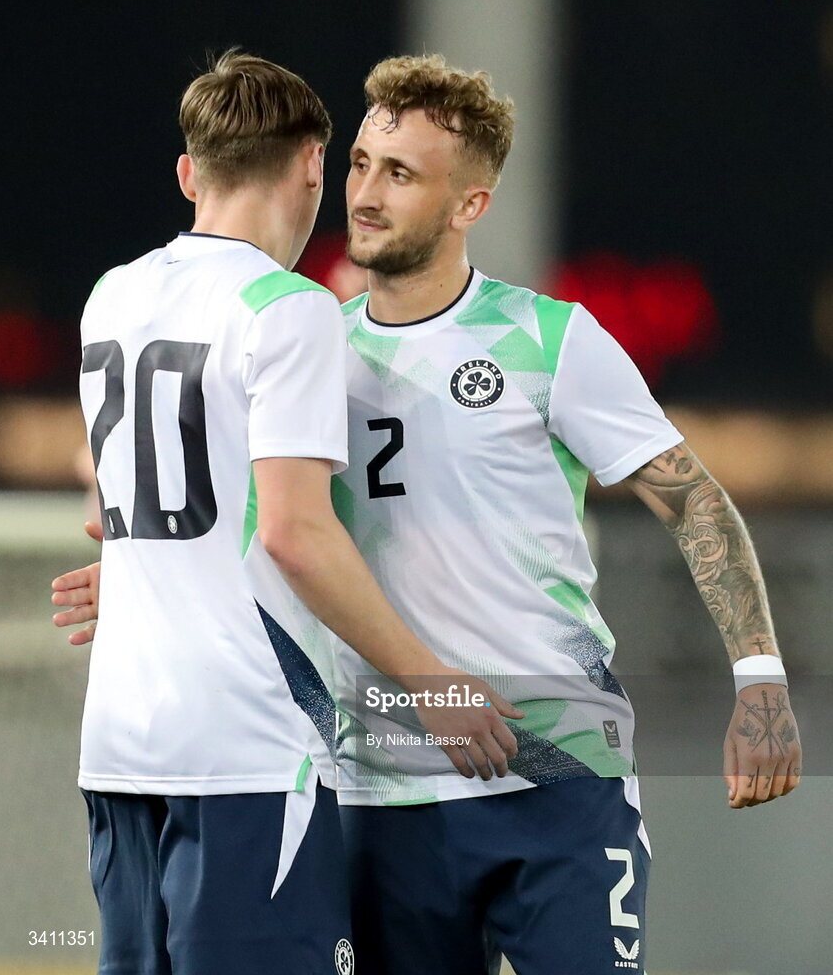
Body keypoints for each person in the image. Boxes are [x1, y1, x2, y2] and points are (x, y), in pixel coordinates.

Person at [55, 54, 802, 975]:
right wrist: (147, 578)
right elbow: (276, 533)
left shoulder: (550, 339)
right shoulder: (307, 332)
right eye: (360, 162)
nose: (364, 195)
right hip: (376, 788)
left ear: (469, 206)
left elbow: (693, 501)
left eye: (399, 174)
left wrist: (758, 675)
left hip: (556, 775)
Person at [60, 49, 521, 975]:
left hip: (117, 743)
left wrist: (154, 578)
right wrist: (431, 682)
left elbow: (159, 503)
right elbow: (292, 530)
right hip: (248, 748)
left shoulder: (111, 294)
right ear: (314, 163)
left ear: (190, 172)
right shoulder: (288, 309)